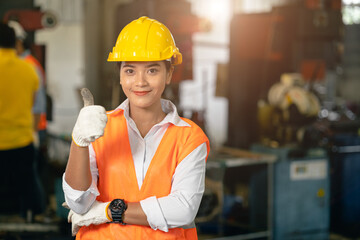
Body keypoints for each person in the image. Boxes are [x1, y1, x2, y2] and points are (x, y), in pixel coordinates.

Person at [63, 16, 210, 239]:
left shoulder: (189, 138)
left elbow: (183, 209)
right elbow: (79, 203)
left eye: (152, 70)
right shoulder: (98, 128)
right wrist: (79, 142)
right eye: (130, 71)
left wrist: (109, 211)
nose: (140, 82)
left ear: (169, 74)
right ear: (120, 76)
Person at [0, 22, 40, 219]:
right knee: (24, 190)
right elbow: (33, 105)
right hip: (22, 143)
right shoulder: (28, 70)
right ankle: (28, 218)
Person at [8, 20, 47, 215]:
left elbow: (38, 106)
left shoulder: (28, 66)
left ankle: (32, 214)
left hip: (32, 130)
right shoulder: (24, 65)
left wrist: (33, 134)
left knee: (27, 179)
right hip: (26, 132)